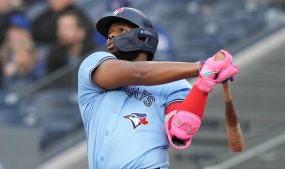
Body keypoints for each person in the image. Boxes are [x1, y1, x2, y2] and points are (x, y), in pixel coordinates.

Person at [77, 7, 239, 169]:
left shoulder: (175, 85)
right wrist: (203, 67)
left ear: (143, 37)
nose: (111, 35)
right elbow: (138, 72)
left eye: (121, 30)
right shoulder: (93, 64)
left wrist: (204, 83)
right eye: (109, 33)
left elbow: (180, 131)